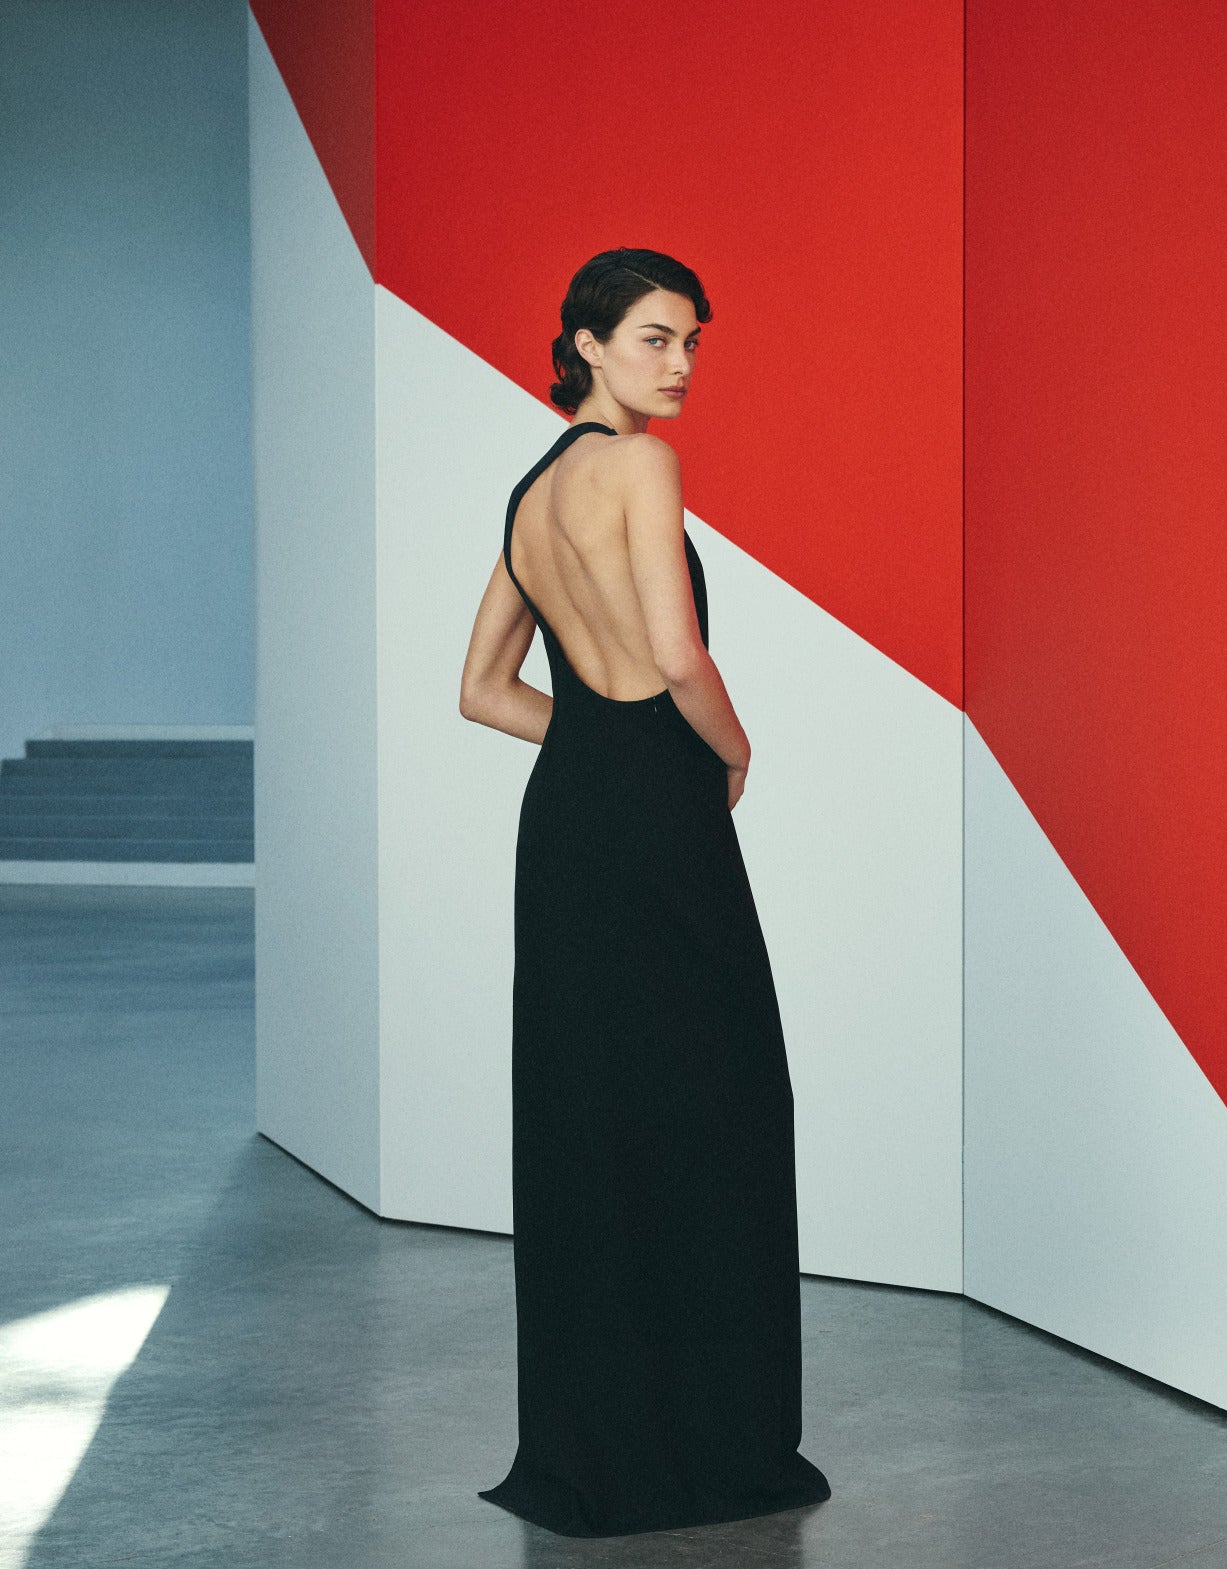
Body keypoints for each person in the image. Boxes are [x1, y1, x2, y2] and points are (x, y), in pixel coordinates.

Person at [456, 247, 831, 1536]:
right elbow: (676, 651)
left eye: (690, 344)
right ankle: (711, 1442)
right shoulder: (640, 466)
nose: (679, 366)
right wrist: (731, 750)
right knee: (718, 1107)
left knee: (591, 1117)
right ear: (588, 343)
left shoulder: (531, 492)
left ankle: (591, 1449)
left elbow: (484, 690)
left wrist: (591, 746)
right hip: (661, 816)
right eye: (657, 339)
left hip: (567, 823)